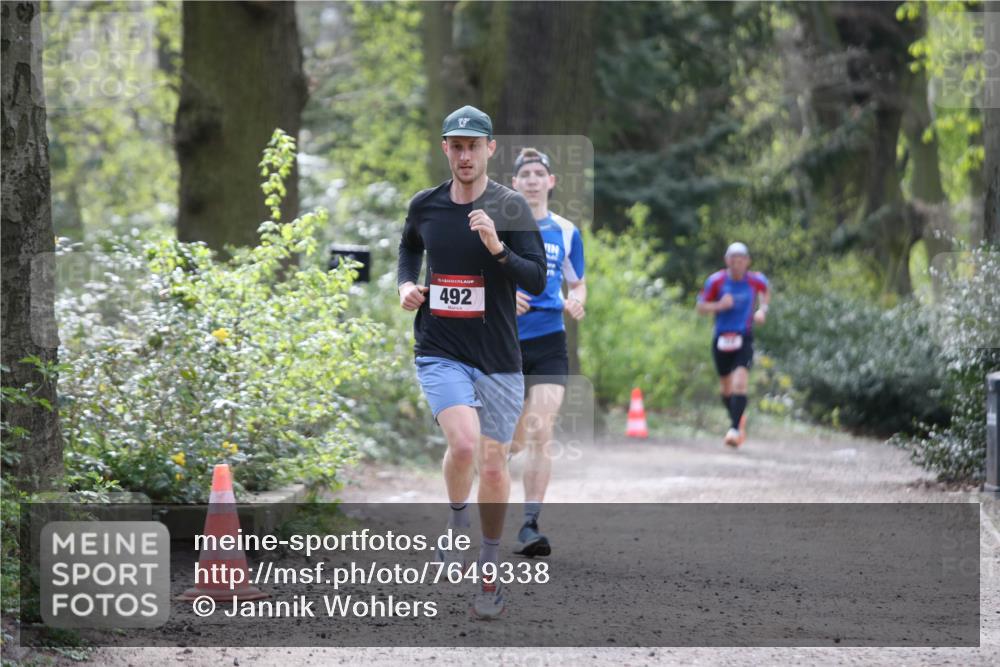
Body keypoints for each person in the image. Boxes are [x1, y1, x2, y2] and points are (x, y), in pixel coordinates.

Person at [397, 105, 546, 618]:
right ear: (445, 149)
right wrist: (405, 285)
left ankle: (488, 567)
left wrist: (497, 248)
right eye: (455, 146)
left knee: (492, 463)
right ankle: (457, 521)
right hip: (440, 347)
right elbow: (407, 248)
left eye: (473, 146)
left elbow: (537, 280)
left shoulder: (511, 209)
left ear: (489, 150)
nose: (464, 155)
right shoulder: (426, 206)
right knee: (462, 443)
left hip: (499, 356)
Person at [507, 148, 586, 558]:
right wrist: (505, 298)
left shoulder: (567, 231)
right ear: (515, 183)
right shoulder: (501, 228)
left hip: (550, 341)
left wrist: (577, 301)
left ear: (551, 182)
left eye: (540, 173)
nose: (534, 180)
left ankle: (529, 524)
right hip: (504, 343)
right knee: (512, 440)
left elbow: (578, 283)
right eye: (526, 174)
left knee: (541, 430)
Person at [696, 242, 770, 448]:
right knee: (726, 388)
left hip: (743, 337)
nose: (737, 265)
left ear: (747, 262)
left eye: (741, 260)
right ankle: (737, 421)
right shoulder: (716, 281)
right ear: (727, 261)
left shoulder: (755, 280)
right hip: (721, 338)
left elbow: (765, 291)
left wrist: (762, 309)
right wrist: (719, 305)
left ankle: (735, 430)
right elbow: (700, 307)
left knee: (740, 383)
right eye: (733, 260)